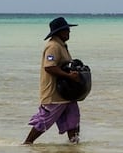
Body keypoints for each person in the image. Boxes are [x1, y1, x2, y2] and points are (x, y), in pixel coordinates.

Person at [25, 16, 84, 144]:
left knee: (73, 119)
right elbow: (49, 67)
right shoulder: (53, 47)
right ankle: (27, 144)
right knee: (44, 121)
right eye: (66, 30)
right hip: (54, 95)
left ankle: (74, 147)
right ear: (59, 32)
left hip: (66, 95)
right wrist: (69, 76)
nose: (69, 32)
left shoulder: (62, 46)